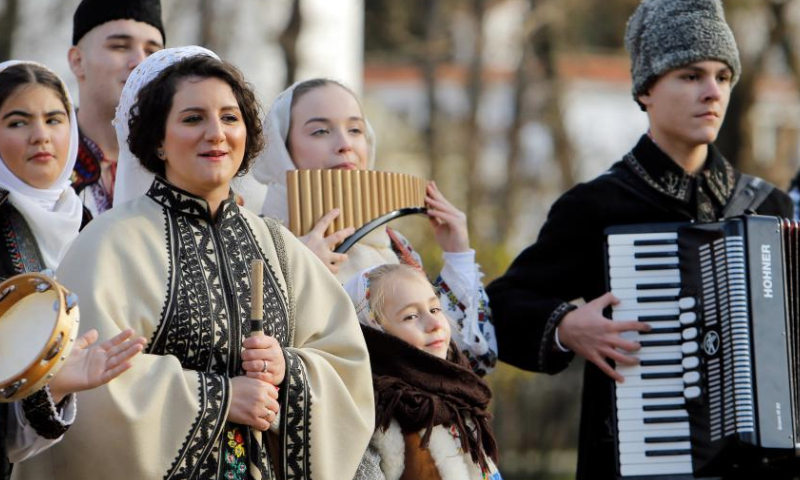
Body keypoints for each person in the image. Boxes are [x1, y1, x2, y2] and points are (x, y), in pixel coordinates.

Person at [13, 46, 374, 480]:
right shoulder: (108, 245)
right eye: (192, 118)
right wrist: (219, 398)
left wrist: (289, 369)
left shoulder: (281, 246)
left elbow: (346, 368)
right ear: (158, 142)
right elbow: (91, 388)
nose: (216, 133)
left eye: (229, 117)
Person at [486, 1, 793, 479]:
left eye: (722, 77)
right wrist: (566, 326)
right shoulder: (597, 206)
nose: (712, 92)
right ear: (646, 89)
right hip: (642, 460)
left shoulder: (766, 206)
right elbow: (500, 306)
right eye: (691, 76)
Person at [252, 79, 497, 375]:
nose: (345, 144)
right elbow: (254, 364)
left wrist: (457, 255)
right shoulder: (256, 242)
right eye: (320, 131)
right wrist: (296, 274)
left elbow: (473, 363)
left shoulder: (394, 245)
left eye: (355, 129)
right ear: (281, 147)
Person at [0, 60, 146, 479]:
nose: (41, 136)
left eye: (54, 119)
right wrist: (54, 385)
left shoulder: (98, 226)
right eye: (17, 122)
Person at [344, 264, 502, 480]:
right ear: (377, 335)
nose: (434, 324)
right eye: (410, 316)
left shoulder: (462, 398)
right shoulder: (374, 415)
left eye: (435, 309)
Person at [68, 0, 165, 215]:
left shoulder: (179, 168)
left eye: (152, 52)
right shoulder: (37, 162)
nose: (141, 62)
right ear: (77, 61)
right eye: (120, 46)